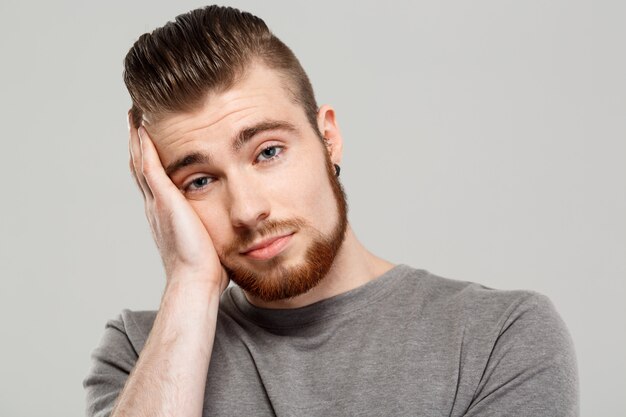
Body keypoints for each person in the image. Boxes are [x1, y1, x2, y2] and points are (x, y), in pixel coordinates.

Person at [83, 5, 579, 416]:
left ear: (328, 138)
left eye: (268, 151)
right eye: (200, 181)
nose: (248, 209)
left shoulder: (498, 335)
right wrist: (190, 283)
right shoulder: (141, 352)